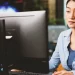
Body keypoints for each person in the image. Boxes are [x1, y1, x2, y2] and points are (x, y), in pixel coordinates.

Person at [49, 0, 75, 75]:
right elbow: (52, 64)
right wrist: (24, 67)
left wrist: (71, 74)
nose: (71, 16)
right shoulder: (63, 36)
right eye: (68, 11)